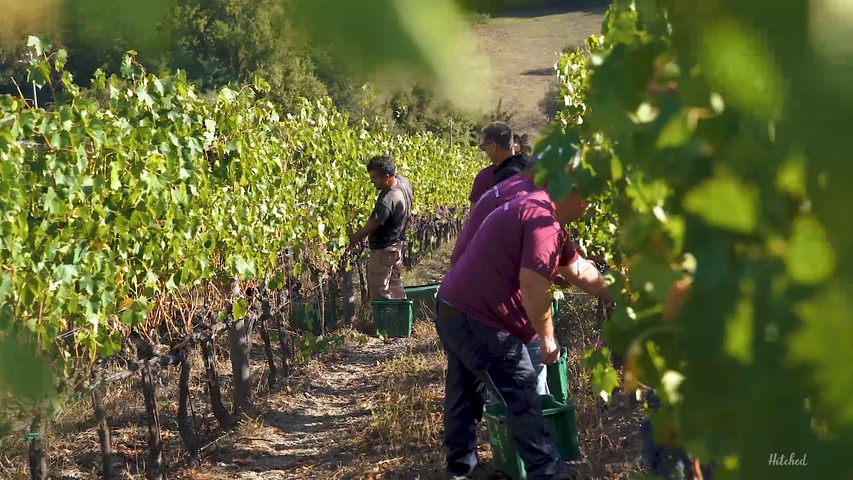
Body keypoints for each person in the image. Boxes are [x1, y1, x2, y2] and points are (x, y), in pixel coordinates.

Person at [435, 181, 611, 479]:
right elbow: (532, 284)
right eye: (588, 197)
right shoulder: (545, 221)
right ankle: (548, 473)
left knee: (464, 394)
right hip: (479, 320)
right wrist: (547, 338)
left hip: (453, 307)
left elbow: (579, 269)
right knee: (521, 392)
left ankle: (461, 469)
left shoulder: (535, 207)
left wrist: (618, 293)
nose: (589, 206)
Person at [348, 155, 413, 300]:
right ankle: (401, 318)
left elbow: (370, 227)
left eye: (375, 178)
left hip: (384, 249)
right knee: (394, 284)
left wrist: (352, 238)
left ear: (387, 176)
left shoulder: (388, 198)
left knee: (380, 289)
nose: (372, 181)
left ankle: (386, 320)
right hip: (397, 245)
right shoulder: (404, 183)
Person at [479, 121, 527, 187]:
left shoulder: (503, 179)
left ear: (493, 146)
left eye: (484, 147)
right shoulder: (529, 165)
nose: (485, 151)